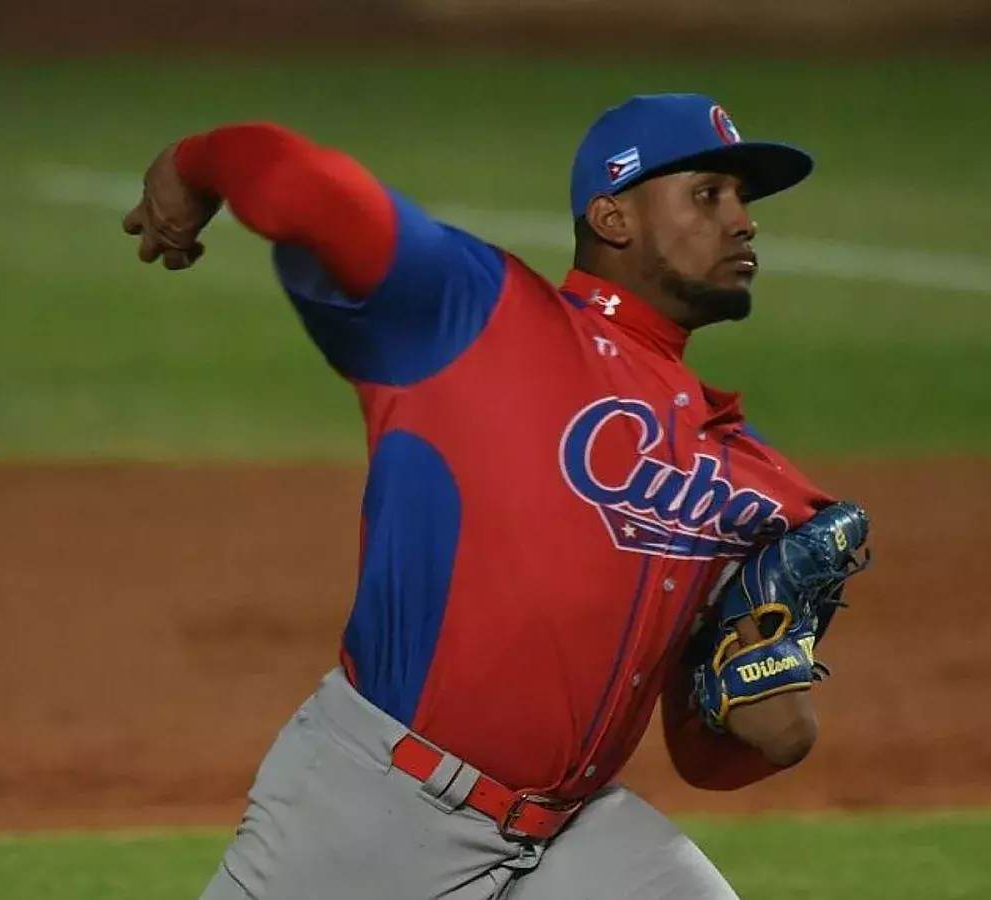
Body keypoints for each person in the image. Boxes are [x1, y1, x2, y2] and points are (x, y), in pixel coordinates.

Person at [123, 93, 871, 900]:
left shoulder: (754, 480)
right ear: (612, 218)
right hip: (373, 812)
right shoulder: (478, 315)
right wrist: (192, 164)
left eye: (744, 200)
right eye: (708, 194)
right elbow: (302, 181)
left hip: (570, 833)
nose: (743, 220)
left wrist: (773, 702)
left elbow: (709, 758)